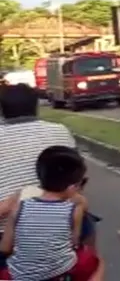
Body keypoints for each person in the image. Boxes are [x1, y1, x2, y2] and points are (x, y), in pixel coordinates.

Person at [0, 84, 98, 269]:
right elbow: (75, 173)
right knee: (89, 233)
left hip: (6, 233)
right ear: (35, 105)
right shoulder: (59, 131)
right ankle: (87, 266)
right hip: (60, 223)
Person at [0, 146, 103, 281]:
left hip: (18, 276)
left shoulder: (20, 207)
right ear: (73, 187)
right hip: (60, 274)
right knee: (94, 261)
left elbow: (5, 247)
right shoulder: (72, 211)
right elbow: (74, 243)